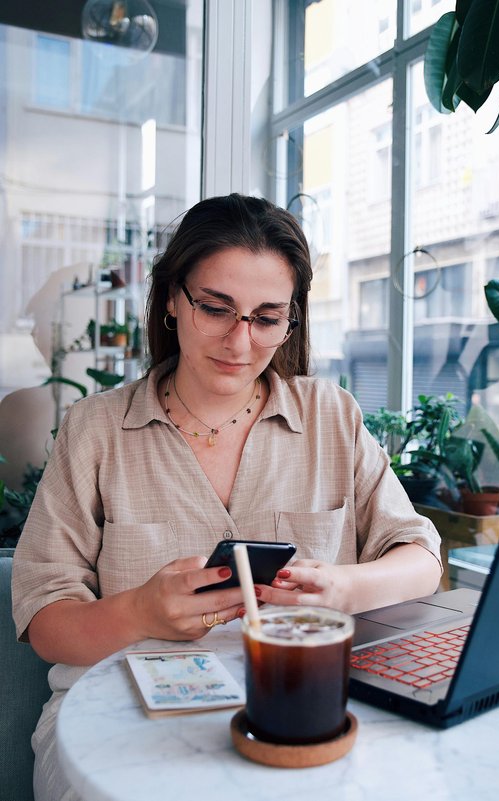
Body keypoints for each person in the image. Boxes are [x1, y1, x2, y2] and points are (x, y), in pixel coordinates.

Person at [12, 193, 441, 801]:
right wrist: (139, 613)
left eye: (267, 317)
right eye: (216, 308)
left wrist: (345, 588)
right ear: (170, 297)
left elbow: (421, 557)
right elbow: (45, 620)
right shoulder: (95, 429)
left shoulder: (330, 415)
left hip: (299, 705)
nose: (240, 343)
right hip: (118, 720)